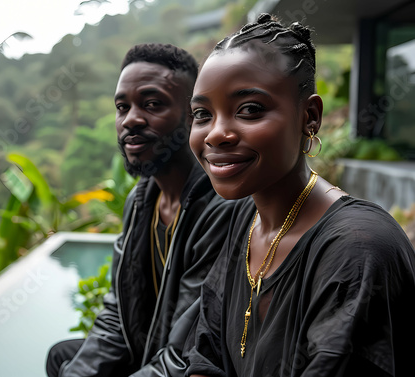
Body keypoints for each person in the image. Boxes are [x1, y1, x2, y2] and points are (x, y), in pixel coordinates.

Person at [185, 14, 415, 377]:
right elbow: (206, 353)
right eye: (202, 114)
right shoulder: (245, 221)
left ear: (309, 116)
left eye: (249, 110)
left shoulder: (358, 251)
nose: (215, 134)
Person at [46, 43, 235, 377]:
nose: (131, 119)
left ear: (193, 114)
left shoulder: (219, 205)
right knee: (63, 359)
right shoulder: (141, 200)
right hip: (149, 347)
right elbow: (118, 311)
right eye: (122, 107)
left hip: (195, 364)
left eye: (152, 104)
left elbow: (187, 351)